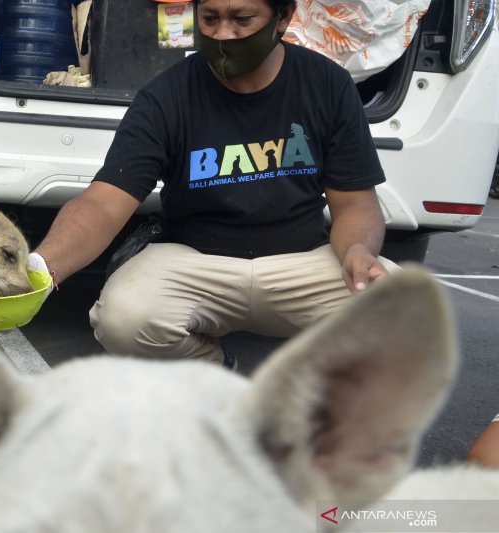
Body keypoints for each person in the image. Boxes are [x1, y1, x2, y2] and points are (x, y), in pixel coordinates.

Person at [28, 0, 396, 366]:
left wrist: (359, 251)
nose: (223, 35)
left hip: (301, 260)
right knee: (123, 318)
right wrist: (42, 267)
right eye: (209, 19)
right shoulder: (165, 96)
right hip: (195, 259)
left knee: (403, 308)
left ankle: (318, 399)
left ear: (282, 18)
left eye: (242, 20)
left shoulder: (327, 84)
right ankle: (213, 372)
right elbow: (104, 203)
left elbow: (355, 203)